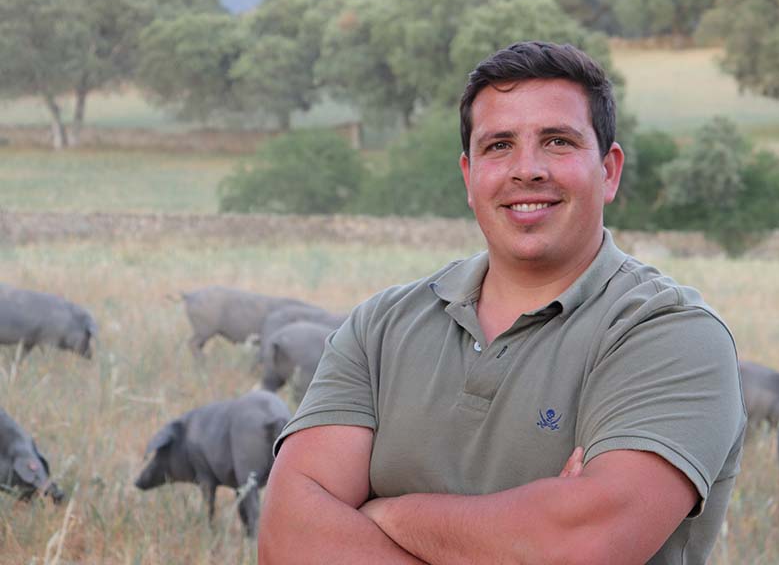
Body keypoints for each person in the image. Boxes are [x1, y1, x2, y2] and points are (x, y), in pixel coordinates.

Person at [259, 41, 745, 565]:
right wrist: (520, 532)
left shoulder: (669, 334)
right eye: (499, 146)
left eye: (557, 141)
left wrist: (385, 514)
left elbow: (575, 547)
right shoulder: (379, 327)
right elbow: (287, 539)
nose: (527, 169)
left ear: (609, 170)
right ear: (469, 177)